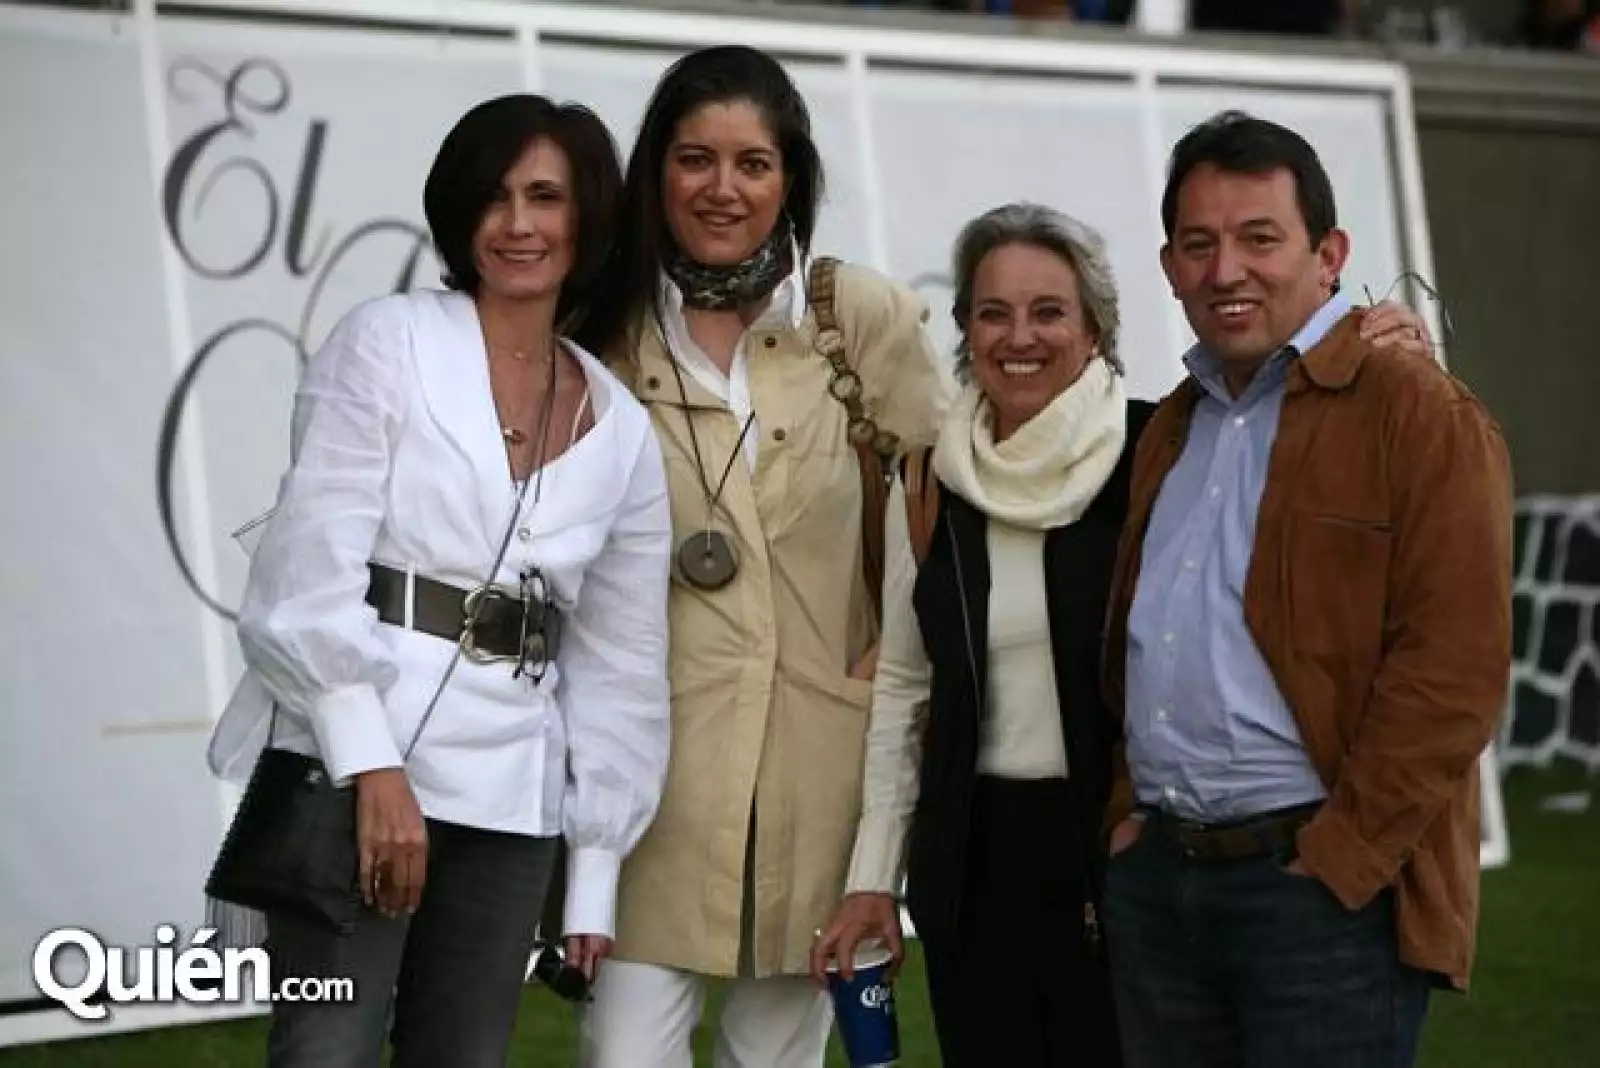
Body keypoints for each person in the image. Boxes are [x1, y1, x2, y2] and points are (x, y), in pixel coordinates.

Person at [808, 195, 1434, 1064]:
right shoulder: (925, 484)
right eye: (993, 313)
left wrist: (1383, 354)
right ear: (965, 330)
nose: (1019, 336)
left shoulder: (1162, 448)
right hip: (971, 872)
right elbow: (907, 697)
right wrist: (873, 878)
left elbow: (1301, 423)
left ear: (1095, 328)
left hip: (1125, 858)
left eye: (1048, 312)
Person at [204, 94, 672, 1067]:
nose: (517, 223)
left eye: (545, 196)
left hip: (513, 802)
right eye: (494, 196)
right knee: (322, 1052)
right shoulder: (387, 340)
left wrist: (592, 873)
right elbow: (306, 570)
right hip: (356, 772)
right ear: (460, 212)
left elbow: (621, 662)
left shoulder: (622, 423)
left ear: (585, 217)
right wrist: (368, 766)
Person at [1099, 110, 1513, 1068]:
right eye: (1198, 245)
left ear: (1329, 253)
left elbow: (1453, 673)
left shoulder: (1418, 413)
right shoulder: (1174, 424)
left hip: (1319, 895)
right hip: (1161, 884)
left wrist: (1342, 862)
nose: (1225, 270)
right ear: (1168, 265)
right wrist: (1129, 814)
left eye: (1259, 239)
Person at [571, 45, 950, 1068]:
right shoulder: (602, 327)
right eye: (695, 159)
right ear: (656, 171)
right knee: (623, 1055)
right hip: (649, 763)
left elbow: (952, 495)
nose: (722, 188)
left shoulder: (853, 315)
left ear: (792, 177)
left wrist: (903, 653)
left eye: (752, 162)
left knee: (774, 1060)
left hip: (821, 760)